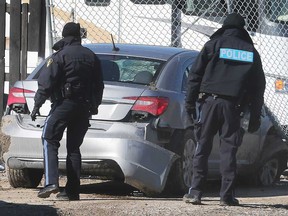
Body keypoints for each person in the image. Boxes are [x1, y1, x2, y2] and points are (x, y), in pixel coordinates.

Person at [183, 13, 266, 206]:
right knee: (229, 151)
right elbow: (258, 87)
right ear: (242, 29)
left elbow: (195, 76)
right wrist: (255, 116)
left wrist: (190, 103)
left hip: (209, 103)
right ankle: (226, 196)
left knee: (202, 147)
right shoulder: (250, 52)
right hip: (233, 107)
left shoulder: (213, 45)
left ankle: (195, 193)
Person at [31, 22, 104, 200]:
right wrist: (94, 106)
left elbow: (46, 83)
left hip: (64, 104)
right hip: (84, 106)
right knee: (74, 148)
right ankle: (72, 191)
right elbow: (99, 85)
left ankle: (50, 183)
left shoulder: (59, 56)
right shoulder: (91, 56)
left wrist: (37, 104)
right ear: (79, 36)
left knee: (49, 138)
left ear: (64, 36)